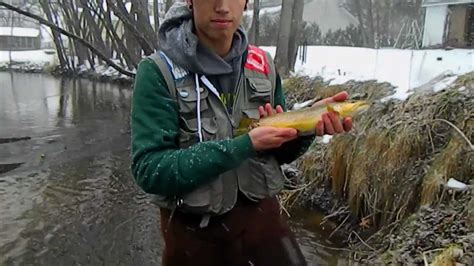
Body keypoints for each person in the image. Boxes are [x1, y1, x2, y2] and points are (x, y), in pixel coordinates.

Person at [131, 0, 353, 265]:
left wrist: (307, 127)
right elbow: (150, 170)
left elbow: (278, 155)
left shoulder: (263, 64)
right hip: (192, 239)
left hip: (263, 226)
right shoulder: (157, 72)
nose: (223, 6)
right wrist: (242, 146)